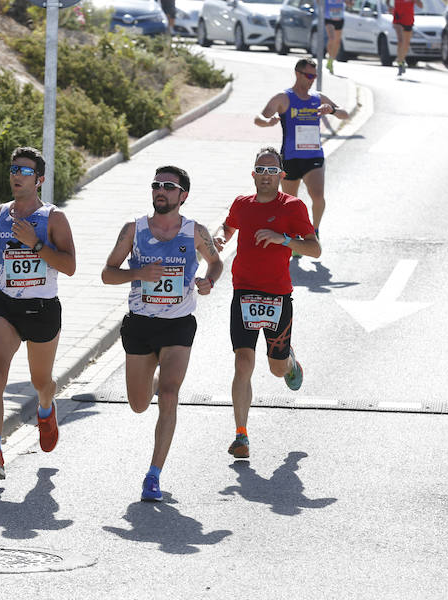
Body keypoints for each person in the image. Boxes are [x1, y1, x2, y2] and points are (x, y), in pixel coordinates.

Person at [102, 165, 222, 501]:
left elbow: (216, 262)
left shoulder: (195, 232)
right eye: (157, 185)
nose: (161, 191)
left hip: (178, 324)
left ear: (183, 195)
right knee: (139, 404)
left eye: (169, 187)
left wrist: (209, 281)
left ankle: (153, 475)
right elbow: (108, 274)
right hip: (141, 324)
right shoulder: (134, 229)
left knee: (169, 395)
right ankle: (153, 380)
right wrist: (138, 273)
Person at [213, 147, 321, 460]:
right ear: (253, 174)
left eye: (272, 171)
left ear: (281, 175)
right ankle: (241, 435)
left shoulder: (292, 207)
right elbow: (228, 226)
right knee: (243, 362)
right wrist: (220, 237)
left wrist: (283, 239)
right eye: (261, 170)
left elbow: (315, 249)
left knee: (276, 369)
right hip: (244, 292)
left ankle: (290, 363)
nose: (266, 176)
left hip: (277, 295)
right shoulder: (242, 204)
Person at [0, 146, 77, 480]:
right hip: (5, 304)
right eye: (13, 169)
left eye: (24, 171)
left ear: (39, 180)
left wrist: (36, 243)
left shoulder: (53, 218)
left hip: (42, 308)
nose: (16, 175)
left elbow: (70, 266)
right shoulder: (0, 213)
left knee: (41, 382)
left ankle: (46, 410)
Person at [254, 57, 350, 237]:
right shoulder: (283, 97)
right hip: (290, 157)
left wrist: (332, 110)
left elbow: (345, 114)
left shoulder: (318, 98)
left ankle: (314, 230)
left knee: (318, 196)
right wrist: (268, 122)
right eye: (309, 75)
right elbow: (259, 117)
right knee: (292, 202)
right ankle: (295, 235)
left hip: (314, 156)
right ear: (297, 74)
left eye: (315, 76)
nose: (312, 80)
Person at [388, 0, 423, 76]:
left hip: (408, 20)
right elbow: (388, 2)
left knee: (406, 43)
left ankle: (401, 59)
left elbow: (421, 6)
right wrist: (390, 7)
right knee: (400, 40)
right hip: (398, 18)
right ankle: (400, 63)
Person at [323, 0, 349, 75]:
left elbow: (349, 4)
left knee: (337, 42)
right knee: (331, 38)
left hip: (339, 19)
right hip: (329, 18)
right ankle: (329, 56)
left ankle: (331, 61)